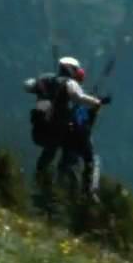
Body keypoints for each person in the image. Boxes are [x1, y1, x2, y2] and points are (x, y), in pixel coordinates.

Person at [25, 55, 111, 197]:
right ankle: (87, 192)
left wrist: (41, 86)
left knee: (49, 153)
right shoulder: (70, 84)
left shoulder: (48, 81)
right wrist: (97, 102)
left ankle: (40, 182)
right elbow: (79, 98)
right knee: (89, 159)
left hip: (43, 130)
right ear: (72, 70)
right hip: (65, 133)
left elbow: (27, 85)